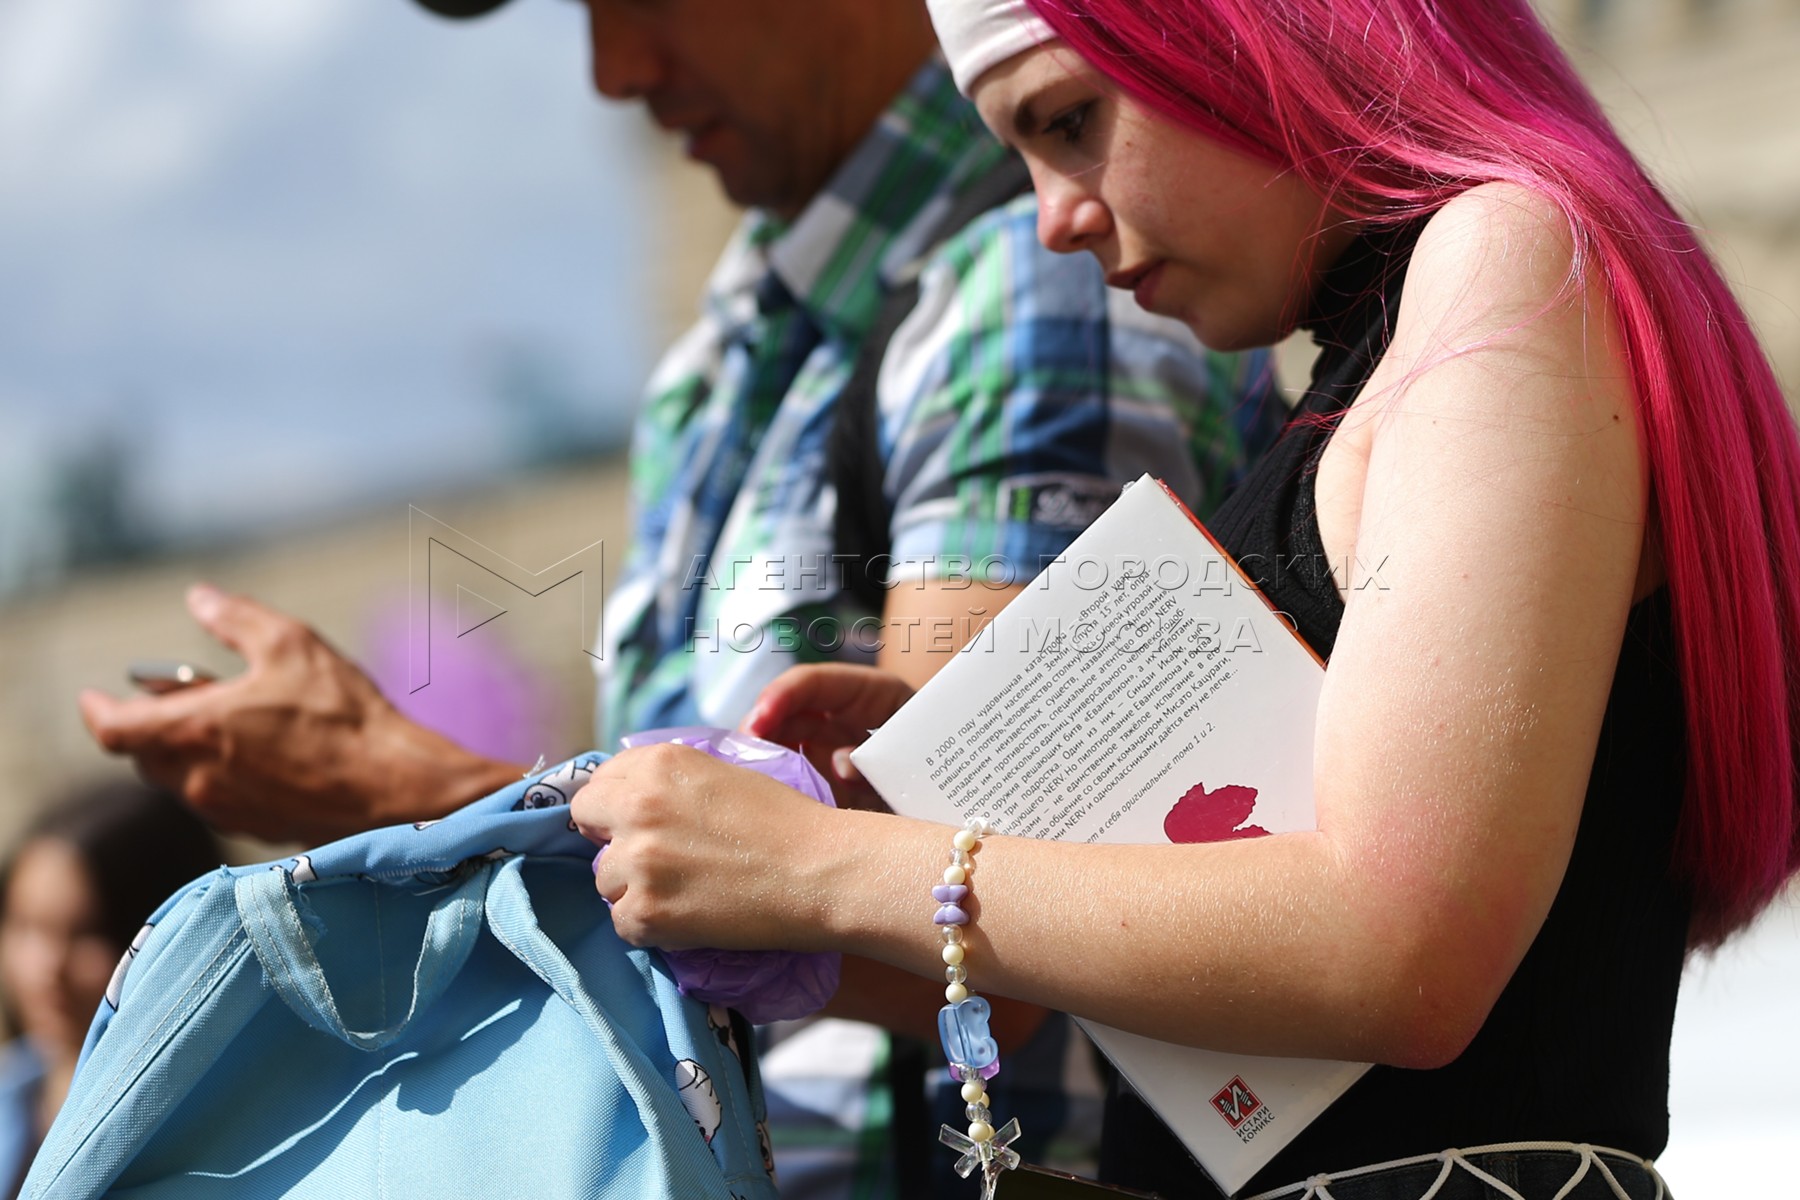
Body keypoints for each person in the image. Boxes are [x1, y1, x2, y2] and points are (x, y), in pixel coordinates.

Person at [569, 0, 1800, 1196]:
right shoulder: (1395, 340)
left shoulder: (1500, 256)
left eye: (1067, 120)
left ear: (1248, 27)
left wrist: (835, 863)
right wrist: (972, 765)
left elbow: (1401, 944)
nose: (1054, 219)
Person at [75, 0, 1280, 1191]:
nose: (614, 69)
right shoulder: (740, 350)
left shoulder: (1031, 291)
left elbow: (982, 939)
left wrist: (415, 792)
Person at [0, 783, 223, 1197]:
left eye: (87, 932)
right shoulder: (11, 1097)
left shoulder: (220, 1133)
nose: (48, 967)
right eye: (26, 927)